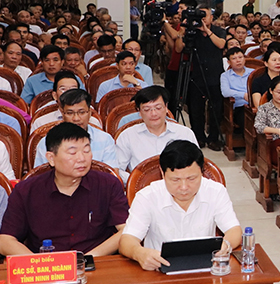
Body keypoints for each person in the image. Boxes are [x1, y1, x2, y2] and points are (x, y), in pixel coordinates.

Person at [0, 122, 128, 256]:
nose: (82, 158)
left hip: (97, 263)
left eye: (86, 150)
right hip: (46, 268)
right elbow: (5, 240)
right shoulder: (26, 190)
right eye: (72, 152)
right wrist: (39, 264)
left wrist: (88, 258)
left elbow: (127, 230)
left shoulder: (108, 184)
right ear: (51, 158)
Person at [119, 140, 242, 269]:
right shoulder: (147, 197)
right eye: (175, 180)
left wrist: (225, 245)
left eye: (191, 179)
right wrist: (139, 253)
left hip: (205, 269)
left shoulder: (216, 191)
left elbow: (234, 230)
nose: (184, 187)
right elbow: (127, 241)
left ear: (202, 171)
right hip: (159, 270)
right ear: (162, 173)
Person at [115, 87, 198, 175]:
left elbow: (198, 165)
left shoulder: (184, 133)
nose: (153, 113)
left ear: (166, 107)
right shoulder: (127, 136)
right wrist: (135, 181)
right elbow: (118, 169)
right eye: (147, 109)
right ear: (139, 111)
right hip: (141, 187)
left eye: (158, 108)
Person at [33, 89, 118, 168]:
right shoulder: (46, 142)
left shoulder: (105, 139)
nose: (76, 118)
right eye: (70, 113)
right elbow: (40, 177)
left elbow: (111, 175)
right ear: (62, 114)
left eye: (81, 112)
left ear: (89, 113)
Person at [182, 8, 227, 150]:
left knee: (216, 108)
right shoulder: (192, 32)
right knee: (196, 108)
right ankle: (198, 137)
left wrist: (207, 30)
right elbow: (179, 49)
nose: (202, 19)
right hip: (197, 76)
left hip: (215, 75)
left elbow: (221, 44)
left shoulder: (218, 31)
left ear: (211, 17)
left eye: (205, 16)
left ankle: (213, 138)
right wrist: (184, 28)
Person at [219, 46, 253, 131]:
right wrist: (243, 95)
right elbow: (225, 92)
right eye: (234, 58)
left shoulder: (253, 72)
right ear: (229, 62)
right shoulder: (225, 76)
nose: (238, 60)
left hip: (255, 105)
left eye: (240, 57)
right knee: (247, 123)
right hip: (239, 107)